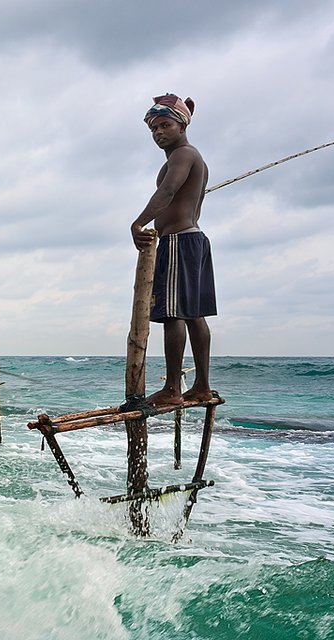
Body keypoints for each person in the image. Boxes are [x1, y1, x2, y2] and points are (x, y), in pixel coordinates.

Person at [131, 92, 216, 408]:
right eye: (154, 129)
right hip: (193, 239)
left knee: (173, 314)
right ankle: (201, 386)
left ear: (181, 125)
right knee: (194, 314)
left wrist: (139, 223)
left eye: (165, 125)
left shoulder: (183, 155)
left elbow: (167, 191)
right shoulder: (193, 159)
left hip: (180, 241)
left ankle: (171, 388)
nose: (158, 133)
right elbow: (192, 202)